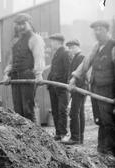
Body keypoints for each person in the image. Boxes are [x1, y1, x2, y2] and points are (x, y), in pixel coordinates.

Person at [69, 20, 115, 155]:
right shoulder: (96, 47)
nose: (97, 32)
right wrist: (74, 78)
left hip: (108, 91)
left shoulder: (112, 47)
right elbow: (85, 63)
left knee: (109, 121)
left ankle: (110, 151)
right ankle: (102, 149)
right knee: (99, 119)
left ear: (107, 31)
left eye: (100, 29)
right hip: (95, 89)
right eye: (95, 30)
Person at [3, 13, 45, 123]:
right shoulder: (15, 41)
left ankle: (32, 136)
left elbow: (38, 57)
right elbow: (11, 61)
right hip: (15, 77)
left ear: (29, 24)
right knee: (17, 109)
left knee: (28, 109)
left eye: (23, 24)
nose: (20, 27)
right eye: (18, 24)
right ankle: (21, 136)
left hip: (27, 76)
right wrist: (7, 74)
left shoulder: (35, 39)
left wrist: (39, 74)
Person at [47, 33, 70, 140]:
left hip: (62, 88)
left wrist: (65, 84)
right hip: (53, 87)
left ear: (58, 42)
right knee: (55, 110)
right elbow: (53, 71)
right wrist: (48, 82)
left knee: (62, 110)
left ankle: (63, 133)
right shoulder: (56, 54)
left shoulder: (65, 53)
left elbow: (68, 71)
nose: (51, 44)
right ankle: (58, 133)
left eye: (52, 41)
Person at [64, 39, 86, 145]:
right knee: (79, 112)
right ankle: (79, 138)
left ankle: (75, 137)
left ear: (77, 47)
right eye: (69, 48)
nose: (70, 50)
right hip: (78, 88)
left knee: (74, 112)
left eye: (72, 47)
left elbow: (82, 74)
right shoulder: (76, 57)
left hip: (79, 88)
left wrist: (75, 85)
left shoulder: (81, 57)